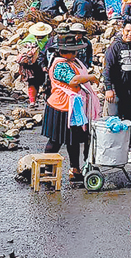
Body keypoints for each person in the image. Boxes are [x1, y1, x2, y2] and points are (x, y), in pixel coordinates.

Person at [42, 34, 99, 183]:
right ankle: (47, 170)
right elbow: (73, 80)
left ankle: (75, 169)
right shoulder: (60, 64)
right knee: (55, 140)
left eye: (75, 51)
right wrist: (91, 77)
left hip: (73, 106)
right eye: (72, 51)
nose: (75, 54)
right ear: (61, 51)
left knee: (73, 140)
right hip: (61, 106)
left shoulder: (72, 61)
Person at [103, 17, 131, 149]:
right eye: (127, 31)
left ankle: (128, 145)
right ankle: (114, 147)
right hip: (117, 91)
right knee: (115, 121)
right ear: (122, 31)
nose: (130, 34)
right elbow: (107, 69)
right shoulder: (114, 47)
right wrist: (108, 88)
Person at [19, 22, 53, 106]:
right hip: (41, 64)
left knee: (32, 82)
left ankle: (32, 101)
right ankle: (45, 101)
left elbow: (21, 48)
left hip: (29, 65)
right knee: (44, 82)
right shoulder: (49, 40)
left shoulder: (29, 38)